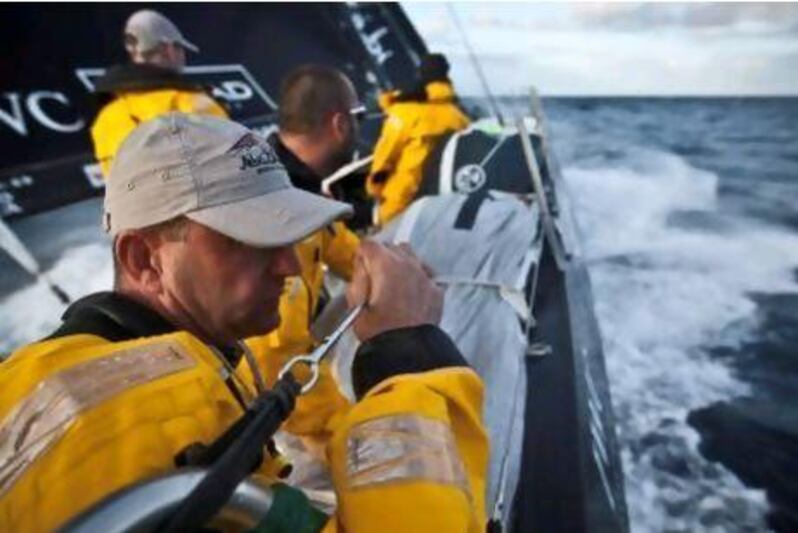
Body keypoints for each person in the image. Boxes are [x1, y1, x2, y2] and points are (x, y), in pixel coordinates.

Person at [0, 113, 488, 532]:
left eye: (288, 235)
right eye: (248, 240)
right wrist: (406, 359)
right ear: (145, 259)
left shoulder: (60, 369)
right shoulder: (141, 422)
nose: (290, 267)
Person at [242, 65, 362, 443]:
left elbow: (337, 244)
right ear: (340, 124)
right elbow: (278, 362)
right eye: (358, 118)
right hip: (267, 411)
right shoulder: (275, 213)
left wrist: (383, 263)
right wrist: (351, 432)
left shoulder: (300, 189)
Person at [90, 9, 227, 177]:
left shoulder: (105, 119)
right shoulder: (193, 104)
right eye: (181, 49)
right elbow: (234, 168)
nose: (183, 57)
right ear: (168, 49)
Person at [366, 53, 470, 225]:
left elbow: (385, 158)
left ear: (420, 74)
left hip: (400, 205)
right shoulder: (460, 118)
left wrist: (374, 190)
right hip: (443, 207)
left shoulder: (404, 113)